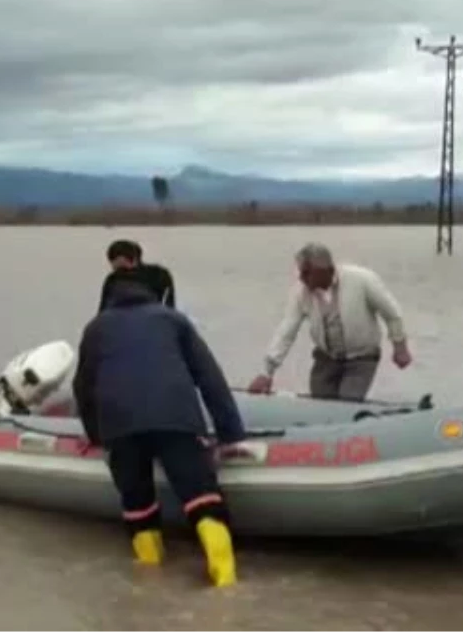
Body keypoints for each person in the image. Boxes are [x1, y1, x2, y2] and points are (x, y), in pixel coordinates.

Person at [73, 274, 247, 587]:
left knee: (138, 505)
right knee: (203, 500)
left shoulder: (95, 328)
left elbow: (84, 388)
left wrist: (96, 436)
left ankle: (150, 581)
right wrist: (230, 433)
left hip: (120, 424)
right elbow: (210, 377)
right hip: (175, 418)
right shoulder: (173, 320)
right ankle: (226, 583)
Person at [246, 242, 411, 401]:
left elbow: (392, 313)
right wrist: (267, 372)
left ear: (328, 270)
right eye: (301, 272)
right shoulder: (301, 293)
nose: (302, 278)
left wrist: (400, 347)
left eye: (307, 273)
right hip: (326, 359)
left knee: (347, 402)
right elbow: (286, 331)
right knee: (319, 404)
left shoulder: (362, 280)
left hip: (361, 359)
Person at [97, 239, 175, 311]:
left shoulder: (158, 275)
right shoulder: (160, 273)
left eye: (122, 268)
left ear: (134, 260)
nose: (121, 273)